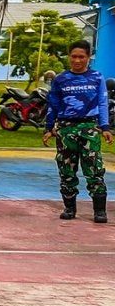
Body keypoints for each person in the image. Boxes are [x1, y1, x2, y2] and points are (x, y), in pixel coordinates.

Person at [42, 40, 111, 223]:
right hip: (66, 129)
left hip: (89, 128)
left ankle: (99, 211)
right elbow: (53, 105)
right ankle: (69, 207)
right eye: (74, 56)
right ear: (69, 57)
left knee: (94, 169)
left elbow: (103, 103)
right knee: (66, 169)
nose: (77, 60)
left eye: (82, 57)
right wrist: (49, 128)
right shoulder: (60, 80)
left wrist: (105, 127)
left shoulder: (96, 78)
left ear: (88, 57)